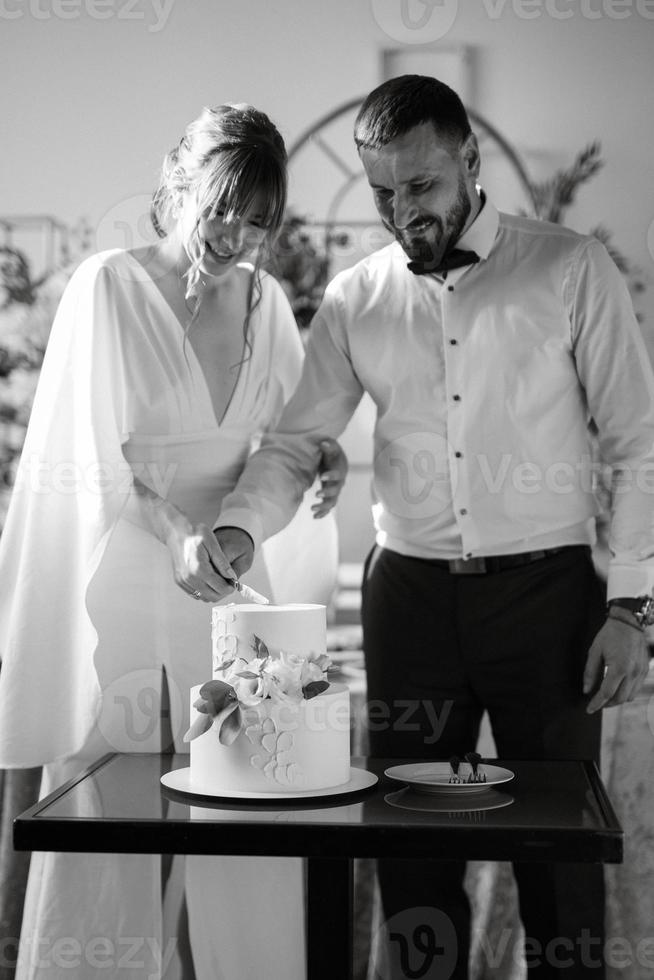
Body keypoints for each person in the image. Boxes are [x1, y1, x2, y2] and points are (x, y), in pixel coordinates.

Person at [208, 76, 654, 979]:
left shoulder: (571, 268)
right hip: (408, 598)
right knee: (412, 849)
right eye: (382, 192)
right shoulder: (355, 297)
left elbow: (639, 442)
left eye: (421, 187)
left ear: (470, 163)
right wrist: (239, 530)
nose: (401, 210)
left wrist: (635, 608)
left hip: (550, 596)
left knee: (560, 852)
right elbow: (297, 443)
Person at [0, 103, 347, 980]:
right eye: (223, 206)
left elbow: (285, 432)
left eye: (260, 221)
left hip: (229, 582)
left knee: (244, 802)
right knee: (115, 810)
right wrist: (175, 526)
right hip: (124, 573)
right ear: (180, 183)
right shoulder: (108, 287)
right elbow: (90, 452)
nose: (237, 236)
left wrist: (326, 455)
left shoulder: (266, 306)